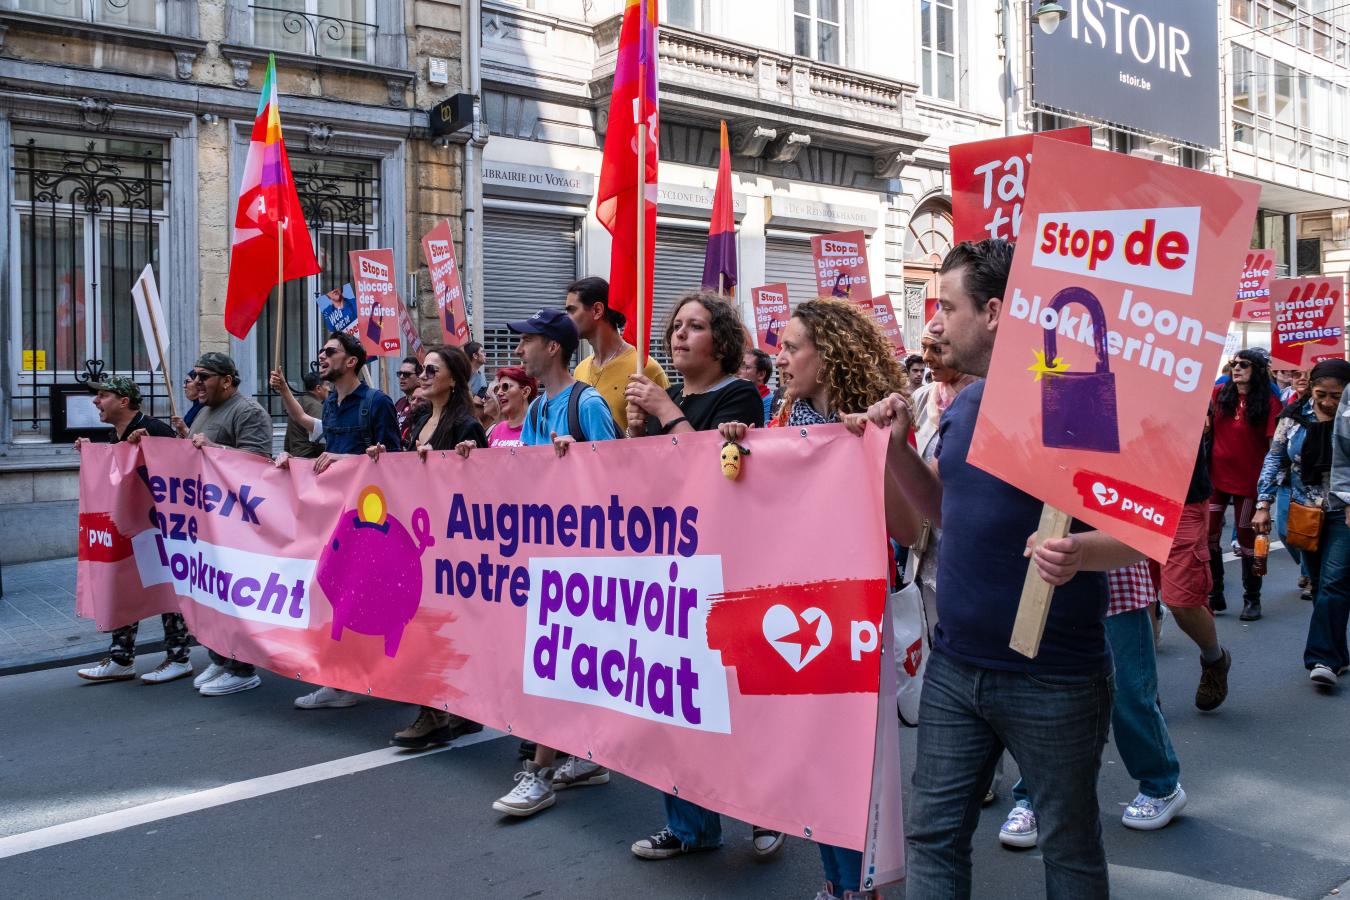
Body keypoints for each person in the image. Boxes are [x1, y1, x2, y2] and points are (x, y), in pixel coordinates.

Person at [856, 239, 1143, 899]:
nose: (932, 324)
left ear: (992, 312)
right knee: (933, 838)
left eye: (946, 307)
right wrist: (898, 451)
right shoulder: (964, 404)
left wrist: (1082, 552)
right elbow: (942, 515)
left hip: (1054, 678)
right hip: (955, 667)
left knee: (1068, 848)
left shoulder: (1077, 396)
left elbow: (1143, 533)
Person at [715, 297, 907, 899]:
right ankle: (837, 881)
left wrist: (875, 447)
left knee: (848, 756)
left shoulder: (877, 422)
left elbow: (907, 521)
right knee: (819, 753)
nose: (781, 356)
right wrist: (743, 449)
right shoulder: (787, 421)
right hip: (797, 608)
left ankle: (861, 884)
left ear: (828, 358)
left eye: (793, 346)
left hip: (852, 610)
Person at [622, 290, 779, 861]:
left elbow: (713, 478)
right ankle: (690, 825)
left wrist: (666, 414)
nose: (679, 335)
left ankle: (768, 810)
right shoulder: (668, 401)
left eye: (695, 326)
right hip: (669, 569)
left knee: (735, 700)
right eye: (675, 326)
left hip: (724, 567)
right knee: (678, 701)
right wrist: (631, 435)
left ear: (723, 342)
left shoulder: (740, 396)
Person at [484, 308, 617, 818]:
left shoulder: (589, 405)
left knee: (552, 662)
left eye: (527, 342)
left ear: (554, 348)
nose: (519, 350)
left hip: (586, 561)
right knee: (559, 664)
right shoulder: (538, 410)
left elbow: (625, 477)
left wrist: (581, 455)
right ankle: (585, 759)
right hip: (546, 556)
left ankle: (538, 773)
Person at [1000, 561, 1186, 851]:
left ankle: (1161, 786)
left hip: (1114, 577)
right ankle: (1033, 798)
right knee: (1046, 696)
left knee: (1129, 695)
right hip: (1052, 583)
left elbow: (1142, 529)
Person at [368, 346, 490, 748]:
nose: (423, 375)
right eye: (422, 368)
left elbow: (479, 488)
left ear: (453, 379)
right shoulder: (418, 418)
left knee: (433, 624)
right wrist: (384, 459)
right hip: (415, 539)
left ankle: (434, 713)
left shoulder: (465, 425)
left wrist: (463, 461)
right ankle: (452, 710)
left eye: (431, 369)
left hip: (448, 543)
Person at [277, 331, 402, 710]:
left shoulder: (377, 403)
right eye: (321, 352)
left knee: (351, 600)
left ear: (351, 361)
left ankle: (347, 679)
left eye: (330, 352)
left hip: (367, 524)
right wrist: (294, 465)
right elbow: (321, 444)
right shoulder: (331, 404)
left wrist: (345, 461)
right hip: (335, 522)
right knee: (335, 597)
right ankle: (344, 676)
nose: (322, 357)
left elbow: (395, 464)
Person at [74, 375, 194, 685]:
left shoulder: (153, 430)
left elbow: (181, 472)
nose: (96, 401)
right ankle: (121, 657)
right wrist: (92, 456)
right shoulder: (117, 436)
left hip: (161, 528)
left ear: (123, 401)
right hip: (134, 530)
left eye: (103, 395)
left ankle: (179, 657)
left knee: (167, 588)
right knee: (125, 586)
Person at [172, 353, 274, 696]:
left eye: (204, 377)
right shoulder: (203, 410)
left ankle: (242, 667)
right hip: (205, 522)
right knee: (210, 594)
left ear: (227, 380)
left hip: (234, 526)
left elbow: (256, 465)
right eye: (194, 375)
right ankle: (220, 656)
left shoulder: (249, 412)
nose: (196, 382)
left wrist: (213, 448)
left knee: (232, 597)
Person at [1256, 359, 1350, 686]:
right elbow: (1275, 460)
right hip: (1304, 513)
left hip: (1343, 514)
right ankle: (1338, 652)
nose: (1327, 402)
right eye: (1321, 393)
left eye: (1336, 396)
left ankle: (1322, 659)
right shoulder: (1293, 419)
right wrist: (1263, 504)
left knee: (1334, 583)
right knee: (1322, 584)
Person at [1208, 348, 1281, 620]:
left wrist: (1269, 492)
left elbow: (1275, 448)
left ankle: (1253, 598)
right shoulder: (1219, 394)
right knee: (1208, 535)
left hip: (1250, 483)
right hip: (1215, 478)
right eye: (1234, 364)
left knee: (1248, 540)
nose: (1237, 368)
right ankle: (1215, 593)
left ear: (1258, 370)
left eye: (1244, 364)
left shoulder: (1270, 401)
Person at [567, 275, 669, 431]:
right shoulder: (580, 369)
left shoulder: (645, 367)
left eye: (572, 310)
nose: (567, 319)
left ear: (597, 310)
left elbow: (667, 436)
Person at [486, 366, 537, 447]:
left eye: (505, 387)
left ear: (525, 392)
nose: (499, 393)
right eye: (498, 388)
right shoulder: (497, 430)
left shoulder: (539, 430)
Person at [281, 371, 328, 459]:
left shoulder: (298, 403)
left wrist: (287, 453)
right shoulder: (314, 405)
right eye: (327, 385)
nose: (329, 389)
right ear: (318, 388)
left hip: (296, 456)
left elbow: (288, 435)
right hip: (310, 457)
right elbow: (320, 437)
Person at [737, 347, 774, 424]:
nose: (738, 371)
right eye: (739, 366)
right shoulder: (737, 398)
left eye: (746, 367)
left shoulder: (771, 403)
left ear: (761, 374)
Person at [394, 356, 422, 434]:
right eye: (400, 374)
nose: (402, 377)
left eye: (406, 374)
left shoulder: (424, 402)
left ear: (419, 377)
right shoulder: (400, 402)